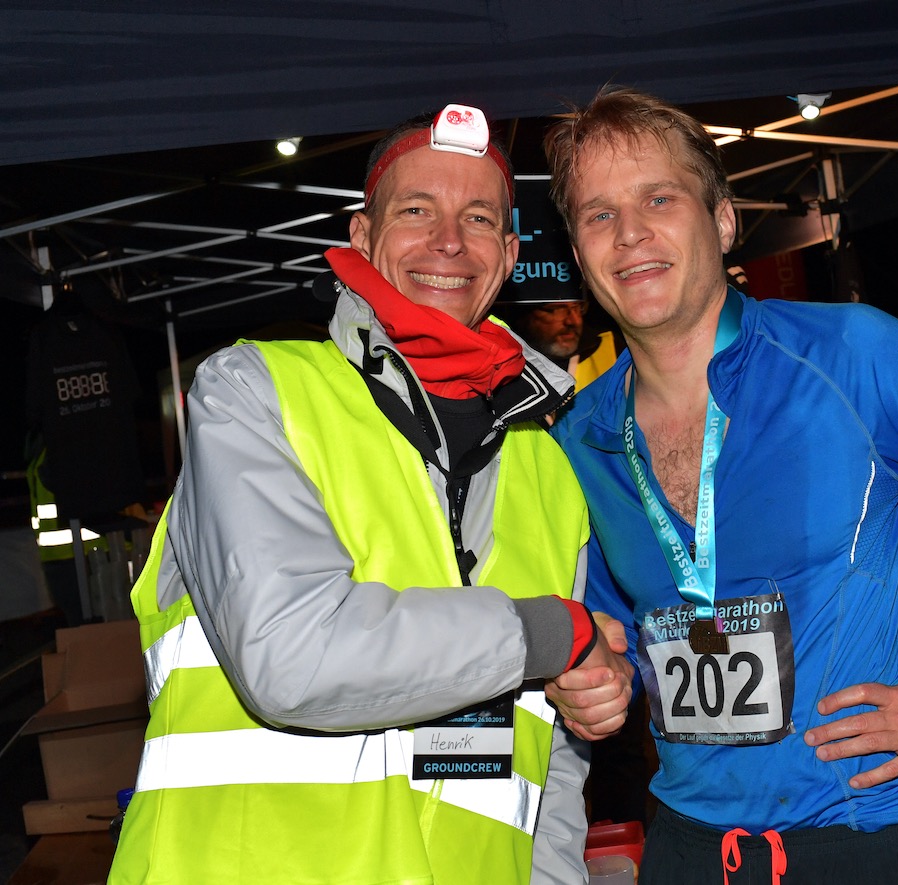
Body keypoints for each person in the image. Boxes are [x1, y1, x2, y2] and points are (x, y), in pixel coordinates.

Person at [541, 86, 898, 884]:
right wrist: (596, 676)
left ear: (720, 220)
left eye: (658, 197)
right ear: (579, 252)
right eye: (598, 213)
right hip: (683, 847)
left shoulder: (854, 357)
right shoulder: (575, 439)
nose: (631, 232)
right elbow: (615, 623)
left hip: (861, 841)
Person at [109, 103, 631, 885]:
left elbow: (548, 774)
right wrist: (549, 633)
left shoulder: (550, 475)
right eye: (417, 210)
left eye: (478, 217)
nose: (449, 241)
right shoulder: (255, 393)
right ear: (362, 237)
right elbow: (289, 653)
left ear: (510, 253)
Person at [502, 297, 619, 392]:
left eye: (578, 307)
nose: (574, 321)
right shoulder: (499, 362)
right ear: (522, 315)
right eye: (556, 309)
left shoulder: (614, 350)